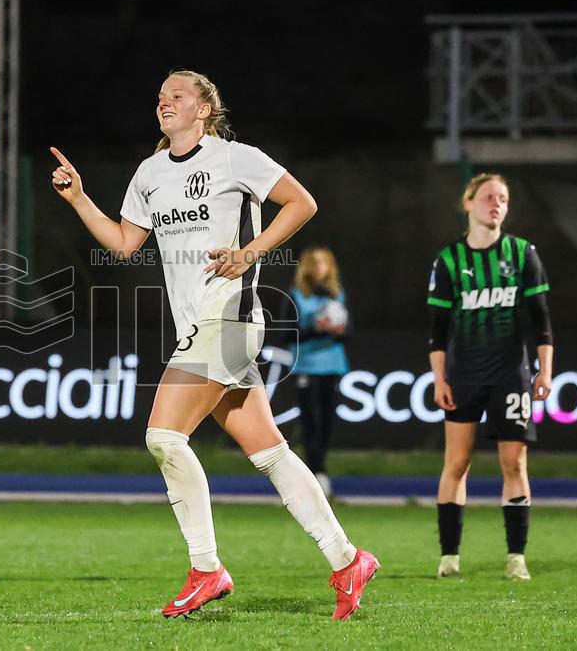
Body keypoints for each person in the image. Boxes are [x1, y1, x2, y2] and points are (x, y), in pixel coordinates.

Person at [50, 69, 379, 619]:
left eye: (177, 95)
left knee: (162, 436)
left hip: (230, 318)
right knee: (271, 453)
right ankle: (348, 559)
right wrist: (81, 200)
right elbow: (125, 243)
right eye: (160, 97)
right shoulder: (151, 172)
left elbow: (301, 203)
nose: (165, 102)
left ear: (204, 109)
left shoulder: (234, 157)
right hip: (198, 328)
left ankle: (207, 569)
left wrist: (250, 253)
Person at [427, 173, 554, 581]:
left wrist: (545, 370)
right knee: (457, 463)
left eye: (502, 198)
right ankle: (449, 557)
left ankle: (516, 557)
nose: (495, 204)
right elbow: (438, 330)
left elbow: (542, 322)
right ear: (468, 203)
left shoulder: (521, 253)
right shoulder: (449, 260)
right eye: (487, 197)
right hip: (463, 374)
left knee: (514, 463)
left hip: (510, 376)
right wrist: (439, 378)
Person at [288, 246, 350, 498]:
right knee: (310, 421)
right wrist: (317, 328)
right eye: (315, 263)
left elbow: (349, 332)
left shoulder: (337, 296)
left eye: (325, 263)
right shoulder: (296, 296)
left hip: (333, 365)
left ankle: (319, 471)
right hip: (307, 365)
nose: (320, 268)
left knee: (326, 422)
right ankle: (315, 474)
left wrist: (337, 330)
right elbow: (287, 334)